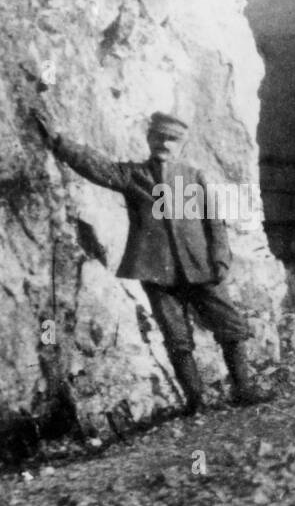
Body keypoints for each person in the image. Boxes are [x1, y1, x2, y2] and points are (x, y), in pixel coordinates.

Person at [32, 107, 272, 414]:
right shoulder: (133, 176)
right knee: (177, 339)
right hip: (158, 274)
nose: (165, 143)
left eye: (172, 139)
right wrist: (59, 142)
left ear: (182, 143)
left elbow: (215, 223)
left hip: (201, 269)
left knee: (232, 328)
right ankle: (196, 400)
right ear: (149, 138)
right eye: (159, 137)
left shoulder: (194, 177)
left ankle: (243, 388)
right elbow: (97, 166)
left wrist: (220, 261)